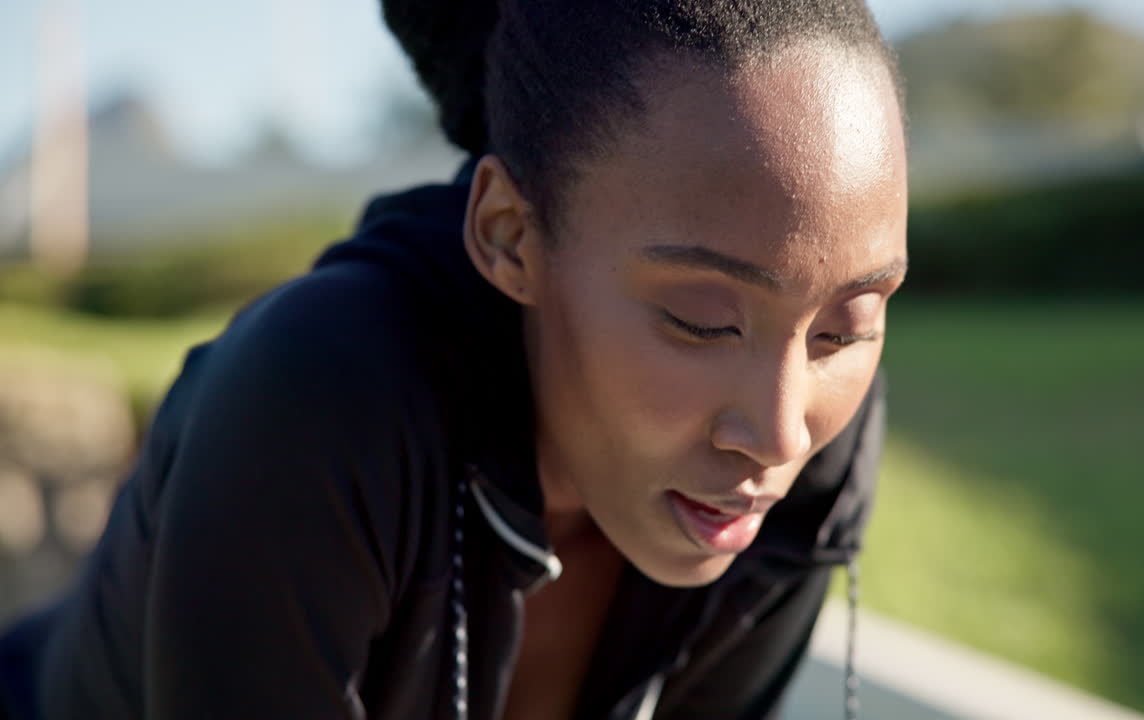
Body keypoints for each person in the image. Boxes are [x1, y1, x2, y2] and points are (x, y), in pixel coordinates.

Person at [0, 0, 908, 717]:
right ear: (509, 235)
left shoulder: (814, 461)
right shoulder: (321, 407)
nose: (780, 435)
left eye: (845, 327)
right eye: (702, 319)